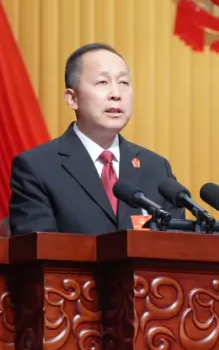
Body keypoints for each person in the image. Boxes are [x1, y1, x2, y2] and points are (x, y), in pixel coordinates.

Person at [9, 43, 183, 235]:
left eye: (123, 83)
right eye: (102, 82)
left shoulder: (156, 169)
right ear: (72, 98)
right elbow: (39, 248)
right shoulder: (37, 167)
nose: (116, 94)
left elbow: (178, 244)